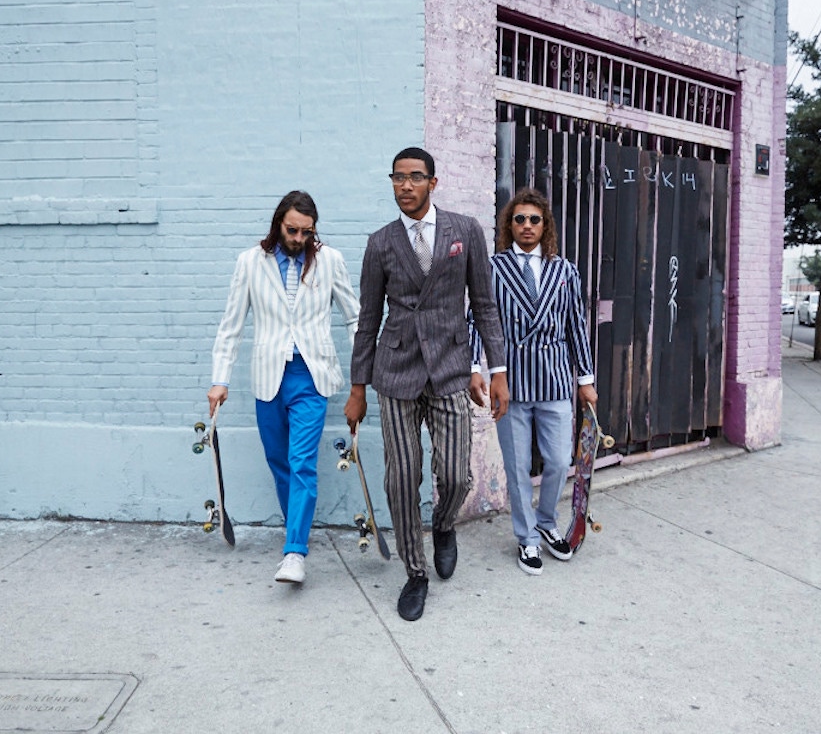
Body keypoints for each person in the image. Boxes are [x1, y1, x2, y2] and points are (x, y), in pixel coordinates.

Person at [345, 147, 509, 622]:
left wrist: (496, 371)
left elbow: (484, 305)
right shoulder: (380, 243)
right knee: (401, 476)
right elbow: (368, 319)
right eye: (398, 178)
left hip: (450, 369)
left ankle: (443, 525)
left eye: (416, 178)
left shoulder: (465, 232)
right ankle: (414, 572)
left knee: (456, 474)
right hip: (394, 374)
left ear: (433, 183)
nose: (406, 186)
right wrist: (358, 388)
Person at [208, 191, 360, 584]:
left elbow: (354, 319)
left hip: (311, 376)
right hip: (268, 377)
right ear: (279, 224)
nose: (298, 238)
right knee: (279, 464)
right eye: (292, 230)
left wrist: (364, 374)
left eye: (306, 232)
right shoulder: (249, 263)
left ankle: (294, 552)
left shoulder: (330, 261)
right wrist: (219, 380)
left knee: (302, 462)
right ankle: (297, 531)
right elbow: (232, 326)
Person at [472, 187, 597, 575]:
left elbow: (577, 326)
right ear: (510, 226)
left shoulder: (565, 270)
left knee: (560, 460)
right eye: (520, 219)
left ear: (546, 226)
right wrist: (477, 367)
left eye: (535, 219)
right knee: (518, 465)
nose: (527, 226)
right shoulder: (493, 268)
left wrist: (585, 378)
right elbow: (480, 318)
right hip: (509, 381)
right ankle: (526, 538)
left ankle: (546, 521)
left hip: (556, 378)